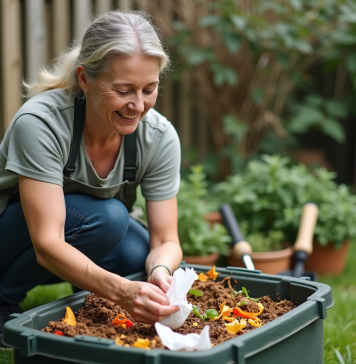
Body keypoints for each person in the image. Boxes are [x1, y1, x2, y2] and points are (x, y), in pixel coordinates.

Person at [0, 10, 182, 345]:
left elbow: (165, 240)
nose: (138, 106)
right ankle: (3, 297)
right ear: (85, 79)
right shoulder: (41, 123)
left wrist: (160, 273)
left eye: (149, 89)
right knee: (111, 218)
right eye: (124, 89)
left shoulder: (158, 137)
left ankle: (87, 301)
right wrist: (121, 290)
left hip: (81, 227)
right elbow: (47, 244)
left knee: (136, 252)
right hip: (9, 235)